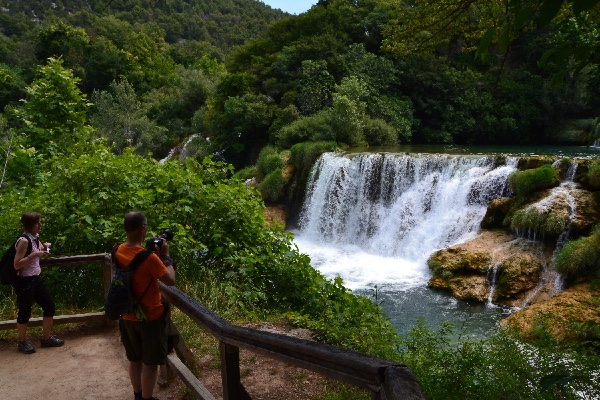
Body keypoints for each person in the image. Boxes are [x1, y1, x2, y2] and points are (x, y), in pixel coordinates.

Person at [116, 211, 175, 400]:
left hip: (127, 314)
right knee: (150, 363)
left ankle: (138, 395)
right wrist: (165, 256)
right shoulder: (149, 258)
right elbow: (170, 280)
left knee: (135, 359)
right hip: (149, 316)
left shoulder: (116, 250)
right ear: (142, 228)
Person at [13, 211, 64, 354]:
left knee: (49, 306)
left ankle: (46, 338)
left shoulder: (35, 237)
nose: (40, 225)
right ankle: (22, 342)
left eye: (40, 222)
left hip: (36, 278)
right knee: (25, 311)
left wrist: (46, 247)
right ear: (30, 225)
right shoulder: (24, 241)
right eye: (38, 223)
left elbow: (44, 253)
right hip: (24, 281)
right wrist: (33, 255)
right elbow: (17, 265)